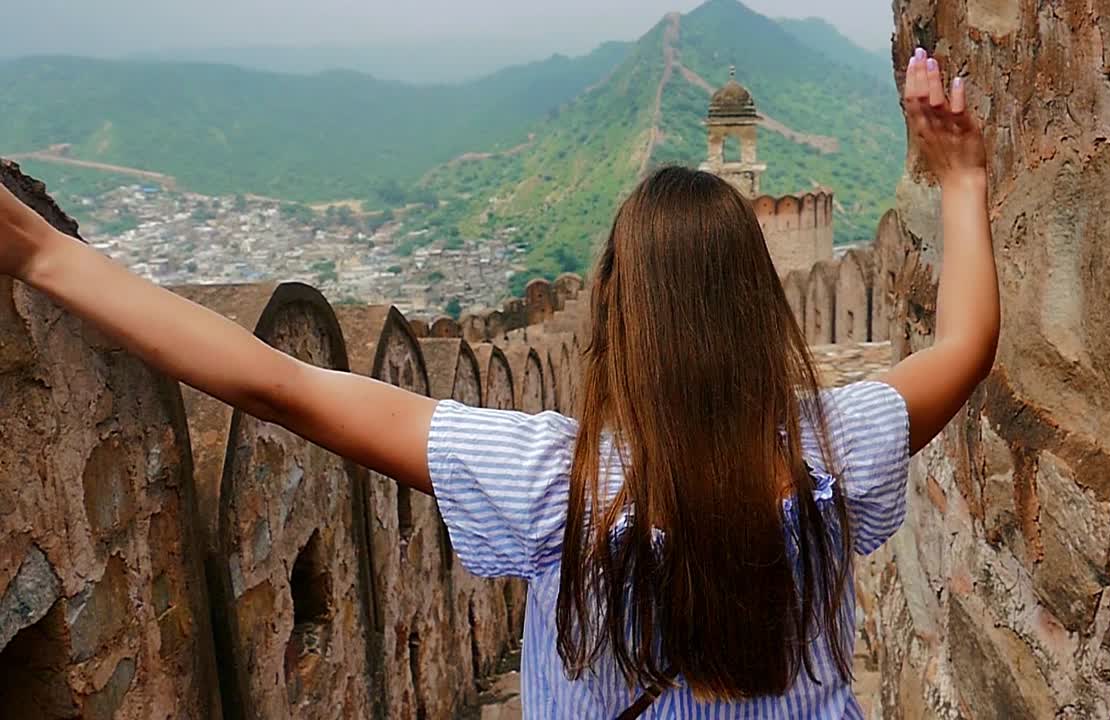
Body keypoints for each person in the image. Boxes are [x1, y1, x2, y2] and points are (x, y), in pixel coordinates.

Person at [0, 48, 995, 718]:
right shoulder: (841, 448)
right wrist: (963, 180)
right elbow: (965, 344)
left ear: (613, 318)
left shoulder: (551, 482)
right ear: (762, 307)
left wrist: (44, 254)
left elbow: (277, 386)